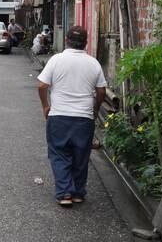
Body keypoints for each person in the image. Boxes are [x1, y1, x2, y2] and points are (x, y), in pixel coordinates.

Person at [37, 26, 106, 206]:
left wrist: (45, 106)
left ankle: (64, 193)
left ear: (67, 40)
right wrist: (96, 109)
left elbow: (42, 86)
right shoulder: (93, 63)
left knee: (59, 154)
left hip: (59, 115)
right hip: (84, 118)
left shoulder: (56, 60)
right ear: (85, 42)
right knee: (81, 156)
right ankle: (78, 193)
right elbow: (101, 91)